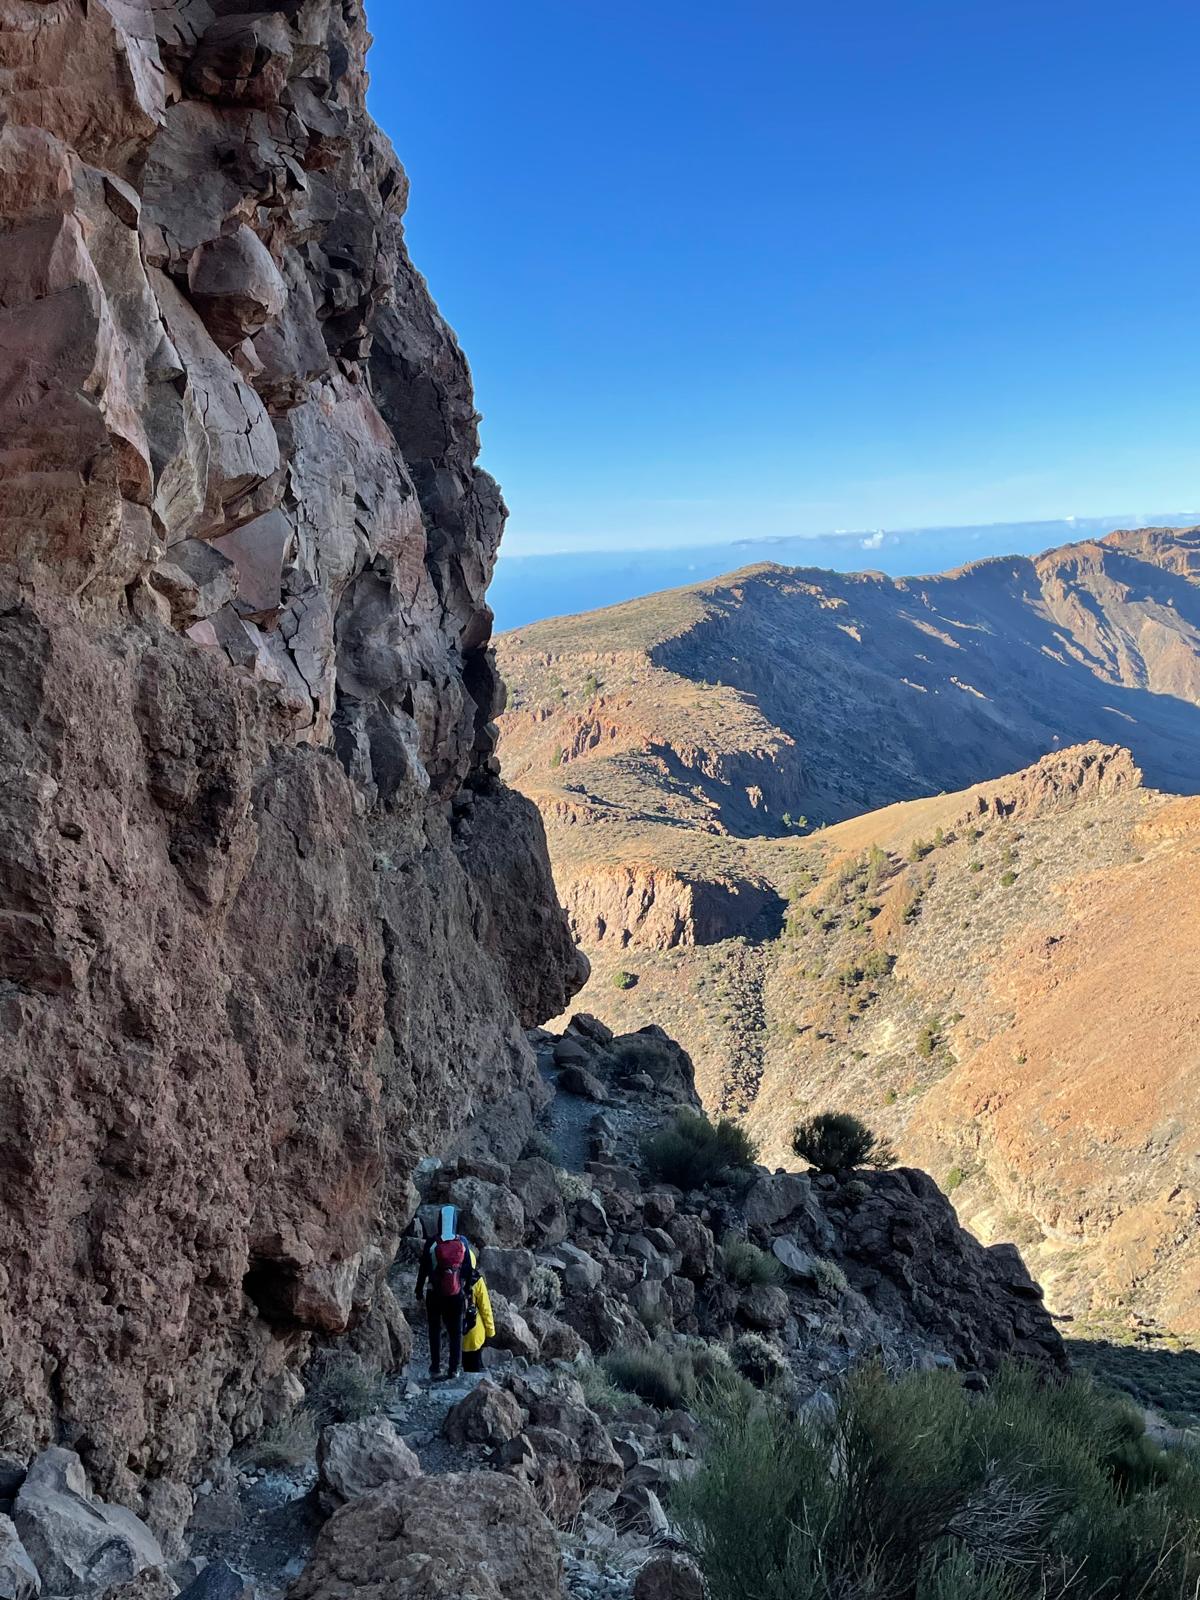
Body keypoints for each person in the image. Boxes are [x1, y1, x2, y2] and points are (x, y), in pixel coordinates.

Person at [415, 1205, 475, 1382]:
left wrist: (418, 1290)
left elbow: (423, 1269)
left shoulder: (432, 1243)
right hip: (456, 1294)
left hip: (434, 1293)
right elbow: (468, 1270)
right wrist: (466, 1290)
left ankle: (435, 1368)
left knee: (434, 1330)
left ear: (439, 1222)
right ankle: (454, 1369)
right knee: (455, 1332)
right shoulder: (462, 1242)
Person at [461, 1263, 496, 1373]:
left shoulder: (449, 1276)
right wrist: (490, 1331)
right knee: (474, 1370)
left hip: (457, 1333)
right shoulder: (476, 1280)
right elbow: (485, 1309)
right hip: (474, 1332)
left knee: (463, 1364)